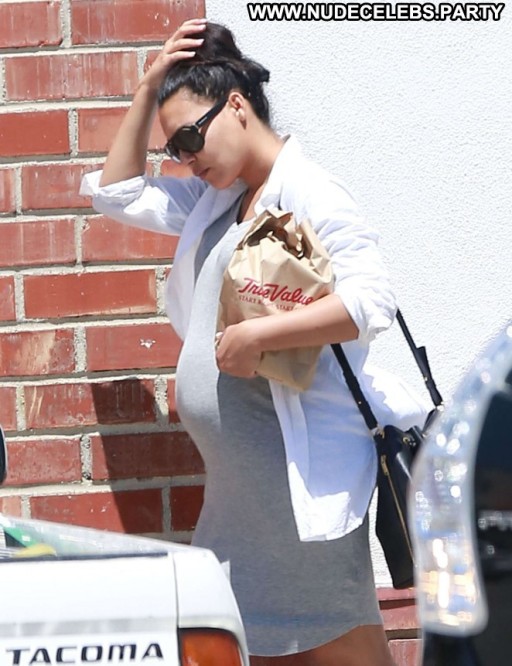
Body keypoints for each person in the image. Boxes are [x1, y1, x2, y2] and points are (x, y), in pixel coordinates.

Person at [81, 18, 427, 666]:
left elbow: (371, 301)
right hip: (239, 502)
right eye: (174, 149)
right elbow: (116, 192)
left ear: (236, 106)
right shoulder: (218, 198)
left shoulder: (311, 191)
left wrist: (257, 334)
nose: (186, 158)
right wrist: (149, 88)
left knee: (337, 649)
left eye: (190, 137)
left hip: (294, 493)